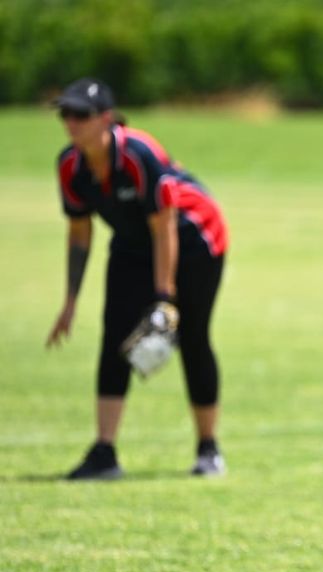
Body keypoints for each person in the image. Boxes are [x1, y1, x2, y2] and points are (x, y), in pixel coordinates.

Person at [47, 78, 228, 479]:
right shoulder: (70, 165)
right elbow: (80, 232)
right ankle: (104, 453)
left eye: (81, 115)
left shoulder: (138, 154)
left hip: (194, 238)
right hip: (133, 243)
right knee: (115, 336)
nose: (71, 123)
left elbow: (164, 226)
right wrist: (70, 301)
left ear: (106, 118)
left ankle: (208, 449)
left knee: (192, 336)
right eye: (66, 114)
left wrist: (165, 297)